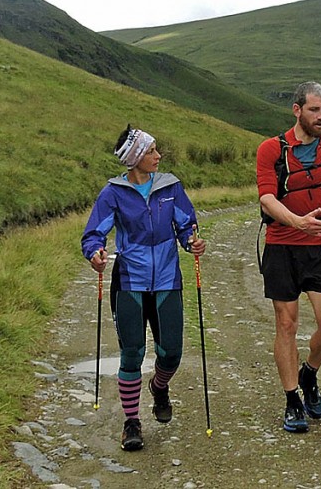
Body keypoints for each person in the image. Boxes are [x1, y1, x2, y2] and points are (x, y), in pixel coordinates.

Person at [81, 125, 206, 452]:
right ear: (135, 159)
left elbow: (185, 225)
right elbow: (95, 233)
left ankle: (159, 387)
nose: (158, 156)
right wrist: (94, 253)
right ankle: (131, 422)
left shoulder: (171, 186)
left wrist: (191, 242)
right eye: (152, 151)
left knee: (172, 353)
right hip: (130, 283)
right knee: (132, 353)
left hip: (167, 281)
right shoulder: (113, 193)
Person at [256, 81, 321, 433]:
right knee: (286, 324)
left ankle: (308, 373)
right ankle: (292, 399)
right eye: (315, 110)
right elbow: (267, 197)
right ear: (297, 110)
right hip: (282, 245)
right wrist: (298, 222)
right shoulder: (270, 150)